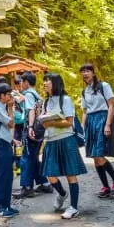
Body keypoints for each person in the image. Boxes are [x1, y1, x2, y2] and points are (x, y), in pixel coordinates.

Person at [40, 72, 88, 219]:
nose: (45, 83)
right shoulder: (45, 102)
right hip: (51, 140)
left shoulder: (66, 100)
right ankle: (62, 193)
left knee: (70, 173)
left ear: (56, 83)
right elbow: (43, 122)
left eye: (48, 80)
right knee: (50, 174)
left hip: (66, 139)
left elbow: (68, 122)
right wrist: (45, 122)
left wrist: (52, 122)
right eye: (44, 81)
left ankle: (73, 207)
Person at [79, 64, 114, 198]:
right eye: (83, 72)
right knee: (94, 156)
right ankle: (105, 186)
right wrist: (82, 127)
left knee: (98, 154)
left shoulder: (103, 86)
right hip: (91, 122)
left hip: (102, 119)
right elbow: (85, 111)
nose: (85, 74)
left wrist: (108, 125)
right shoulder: (84, 91)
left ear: (93, 73)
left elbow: (111, 105)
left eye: (87, 71)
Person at [15, 72, 51, 198]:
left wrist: (30, 127)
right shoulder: (37, 95)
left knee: (26, 157)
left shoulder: (29, 94)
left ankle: (27, 187)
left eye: (21, 81)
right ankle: (45, 183)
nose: (20, 84)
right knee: (34, 157)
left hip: (32, 129)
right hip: (40, 129)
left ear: (26, 82)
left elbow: (30, 110)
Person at [0, 83, 19, 218]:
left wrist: (12, 140)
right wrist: (11, 107)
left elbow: (3, 129)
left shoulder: (2, 108)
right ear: (2, 96)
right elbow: (11, 123)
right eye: (8, 94)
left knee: (8, 175)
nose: (10, 97)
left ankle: (5, 205)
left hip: (4, 144)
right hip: (0, 146)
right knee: (1, 176)